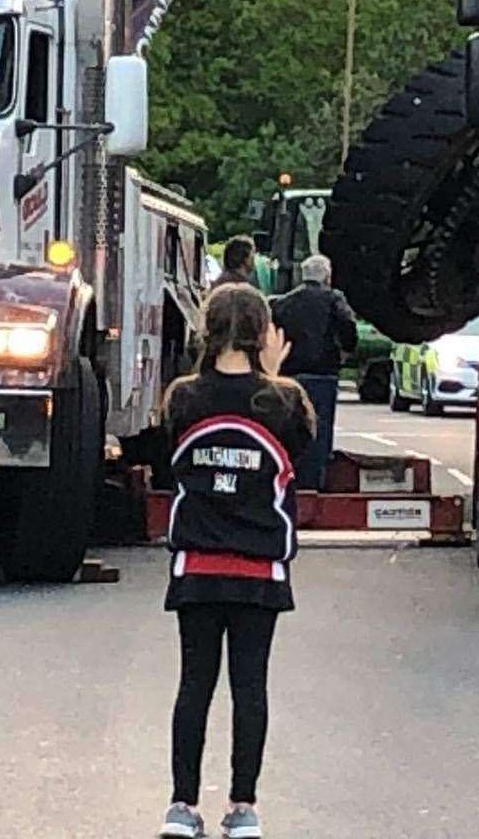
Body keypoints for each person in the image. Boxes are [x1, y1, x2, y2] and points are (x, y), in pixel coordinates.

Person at [158, 284, 314, 839]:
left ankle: (181, 806)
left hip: (196, 564)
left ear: (206, 329)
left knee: (193, 685)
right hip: (260, 568)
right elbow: (301, 455)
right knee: (251, 687)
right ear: (262, 332)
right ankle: (243, 807)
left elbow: (165, 462)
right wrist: (271, 372)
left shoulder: (182, 398)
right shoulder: (284, 401)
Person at [269, 254, 357, 491]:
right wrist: (346, 351)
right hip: (323, 373)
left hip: (290, 374)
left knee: (291, 426)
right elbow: (348, 326)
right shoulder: (333, 299)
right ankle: (314, 481)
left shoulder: (284, 302)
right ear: (327, 276)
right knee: (320, 429)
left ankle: (289, 476)